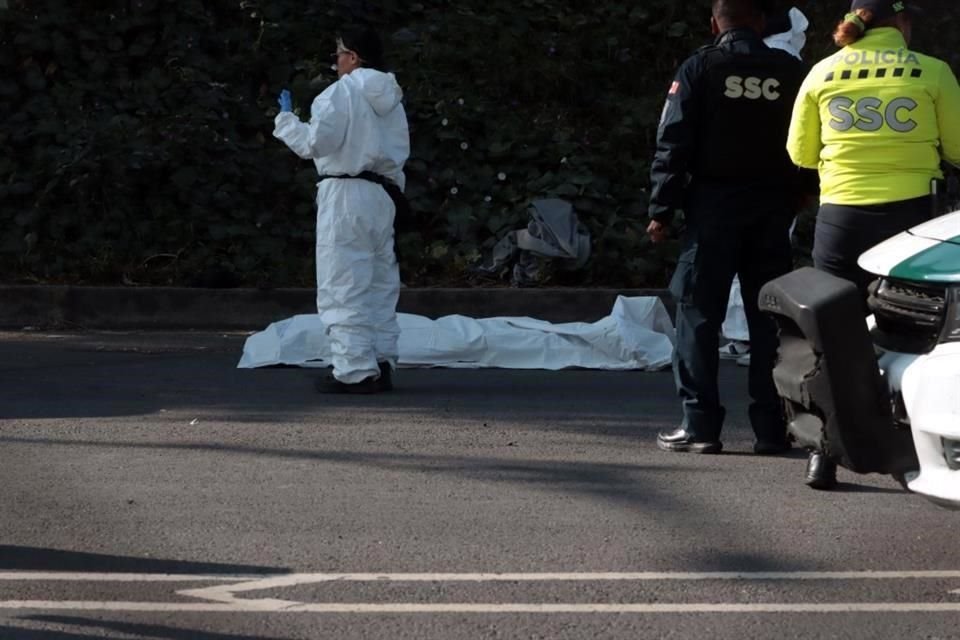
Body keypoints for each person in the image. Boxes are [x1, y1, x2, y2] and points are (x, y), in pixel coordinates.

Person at [787, 0, 960, 488]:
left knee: (832, 336)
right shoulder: (932, 70)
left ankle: (824, 453)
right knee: (912, 333)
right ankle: (909, 451)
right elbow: (959, 148)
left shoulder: (823, 71)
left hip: (840, 215)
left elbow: (800, 152)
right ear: (902, 23)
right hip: (911, 221)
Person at [648, 0, 812, 455]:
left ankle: (700, 427)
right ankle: (772, 429)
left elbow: (672, 140)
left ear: (714, 23)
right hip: (771, 210)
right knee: (770, 321)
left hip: (713, 210)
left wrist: (661, 209)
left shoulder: (700, 68)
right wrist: (805, 190)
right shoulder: (789, 71)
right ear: (760, 21)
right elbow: (810, 137)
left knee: (699, 317)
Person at [274, 26, 410, 394]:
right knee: (380, 284)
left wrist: (286, 122)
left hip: (345, 193)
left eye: (338, 55)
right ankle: (381, 362)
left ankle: (353, 370)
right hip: (384, 196)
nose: (335, 63)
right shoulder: (393, 101)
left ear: (353, 56)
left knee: (343, 284)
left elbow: (316, 143)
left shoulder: (339, 94)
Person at [719, 5, 811, 368]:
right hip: (776, 181)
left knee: (739, 257)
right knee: (765, 258)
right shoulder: (788, 63)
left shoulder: (734, 58)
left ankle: (743, 336)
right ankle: (754, 336)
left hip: (734, 181)